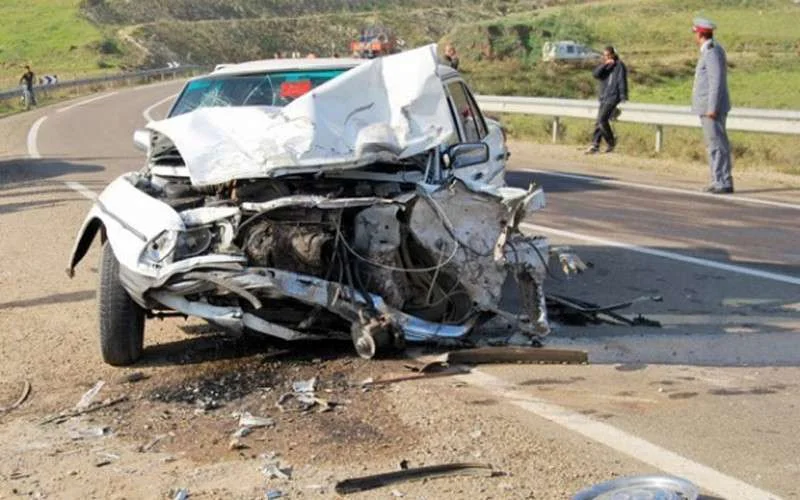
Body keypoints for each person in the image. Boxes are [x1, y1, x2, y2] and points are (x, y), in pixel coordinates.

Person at [691, 17, 733, 194]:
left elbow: (716, 82)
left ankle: (722, 181)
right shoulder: (710, 50)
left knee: (716, 145)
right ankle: (719, 179)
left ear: (700, 34)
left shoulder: (712, 51)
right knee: (714, 144)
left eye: (695, 33)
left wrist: (712, 107)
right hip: (709, 107)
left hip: (711, 108)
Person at [586, 46, 627, 154]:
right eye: (605, 55)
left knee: (602, 120)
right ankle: (595, 144)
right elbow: (595, 74)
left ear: (613, 54)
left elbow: (621, 80)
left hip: (613, 97)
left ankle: (611, 142)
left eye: (609, 55)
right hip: (604, 97)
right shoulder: (605, 66)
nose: (607, 57)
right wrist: (605, 65)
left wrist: (623, 95)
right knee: (599, 121)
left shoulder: (619, 66)